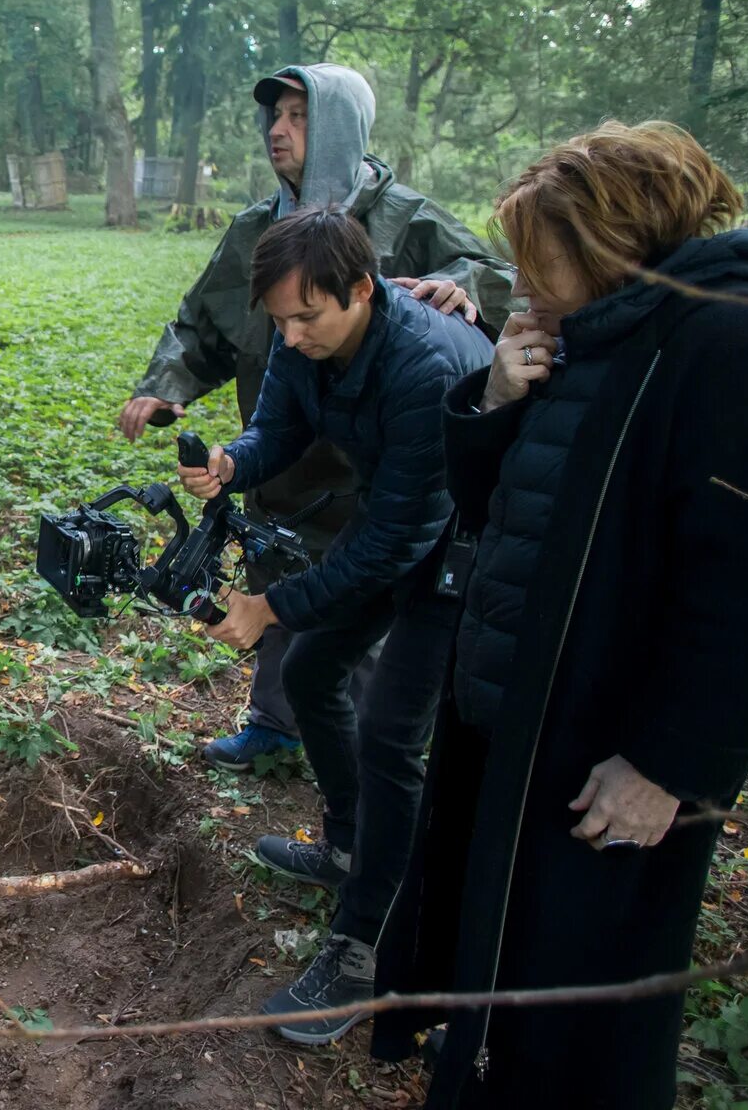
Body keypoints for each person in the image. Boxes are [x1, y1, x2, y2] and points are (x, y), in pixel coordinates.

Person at [371, 123, 748, 1108]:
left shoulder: (738, 347)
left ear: (616, 241)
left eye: (546, 250)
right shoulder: (592, 337)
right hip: (523, 730)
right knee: (499, 963)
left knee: (576, 1001)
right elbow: (508, 515)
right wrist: (494, 399)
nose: (524, 271)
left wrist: (670, 761)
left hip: (607, 756)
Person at [121, 63, 515, 772]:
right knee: (273, 571)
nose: (278, 130)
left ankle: (357, 750)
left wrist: (459, 289)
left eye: (300, 117)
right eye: (274, 116)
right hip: (291, 453)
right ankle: (275, 722)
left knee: (360, 599)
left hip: (385, 465)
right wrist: (173, 391)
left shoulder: (411, 221)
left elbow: (501, 283)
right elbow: (203, 320)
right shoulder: (257, 229)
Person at [180, 204, 491, 1044]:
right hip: (399, 512)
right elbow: (280, 424)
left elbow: (399, 542)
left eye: (307, 317)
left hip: (464, 544)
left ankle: (365, 944)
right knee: (314, 675)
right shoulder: (301, 335)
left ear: (362, 289)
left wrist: (269, 606)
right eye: (278, 319)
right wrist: (232, 463)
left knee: (393, 735)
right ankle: (351, 848)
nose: (291, 334)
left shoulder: (423, 366)